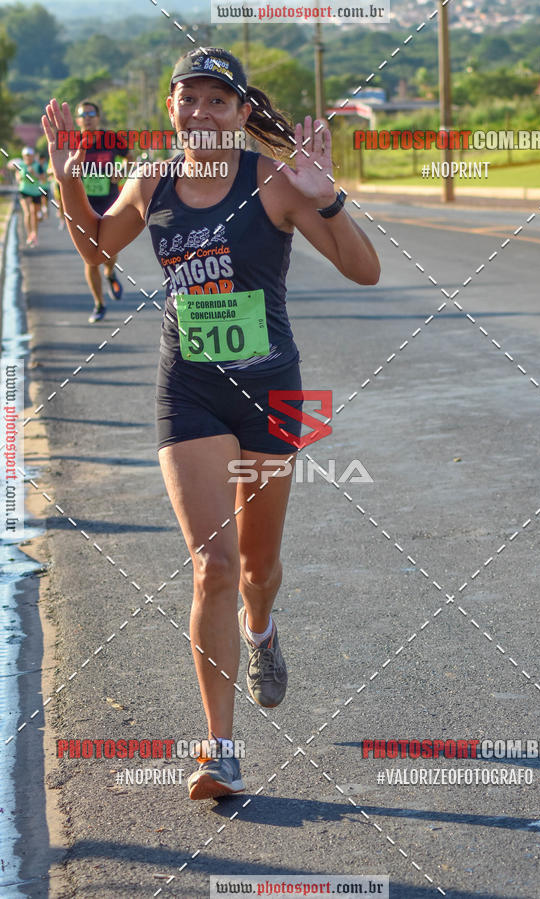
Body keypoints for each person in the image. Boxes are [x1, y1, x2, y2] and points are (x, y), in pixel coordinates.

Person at [43, 47, 380, 800]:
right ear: (171, 108)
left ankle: (261, 630)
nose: (201, 111)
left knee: (257, 570)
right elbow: (97, 246)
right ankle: (219, 749)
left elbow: (366, 271)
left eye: (217, 100)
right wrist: (67, 178)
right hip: (189, 389)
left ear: (239, 112)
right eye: (188, 98)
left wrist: (327, 197)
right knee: (213, 565)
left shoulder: (276, 183)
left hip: (272, 392)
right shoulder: (152, 181)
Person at [74, 100, 128, 322]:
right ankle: (99, 304)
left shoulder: (112, 139)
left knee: (108, 250)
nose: (87, 118)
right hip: (83, 205)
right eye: (83, 115)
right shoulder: (73, 143)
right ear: (78, 120)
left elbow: (129, 158)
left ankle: (110, 272)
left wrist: (121, 171)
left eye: (91, 114)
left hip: (109, 202)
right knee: (90, 258)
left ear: (97, 117)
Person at [11, 147, 45, 246]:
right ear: (23, 156)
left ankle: (35, 234)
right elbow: (17, 176)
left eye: (29, 155)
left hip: (35, 192)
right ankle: (29, 235)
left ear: (33, 156)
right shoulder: (21, 165)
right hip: (24, 190)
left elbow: (43, 179)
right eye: (26, 156)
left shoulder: (37, 166)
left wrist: (34, 174)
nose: (28, 157)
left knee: (34, 214)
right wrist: (20, 177)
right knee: (27, 213)